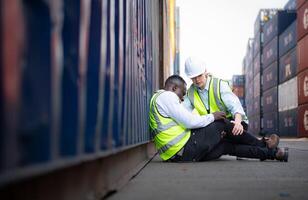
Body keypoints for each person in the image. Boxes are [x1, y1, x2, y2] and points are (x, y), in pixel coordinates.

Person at [149, 75, 288, 162]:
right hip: (186, 148)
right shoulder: (167, 96)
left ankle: (272, 154)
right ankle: (263, 144)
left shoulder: (156, 98)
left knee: (226, 146)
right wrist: (213, 116)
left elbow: (186, 119)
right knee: (221, 123)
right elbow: (189, 122)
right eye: (182, 93)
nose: (183, 97)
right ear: (174, 88)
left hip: (179, 156)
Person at [183, 57, 249, 135]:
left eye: (199, 75)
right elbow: (184, 113)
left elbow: (235, 107)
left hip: (234, 122)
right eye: (193, 78)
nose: (197, 80)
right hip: (213, 125)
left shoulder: (219, 85)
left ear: (205, 71)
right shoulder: (190, 93)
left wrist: (238, 122)